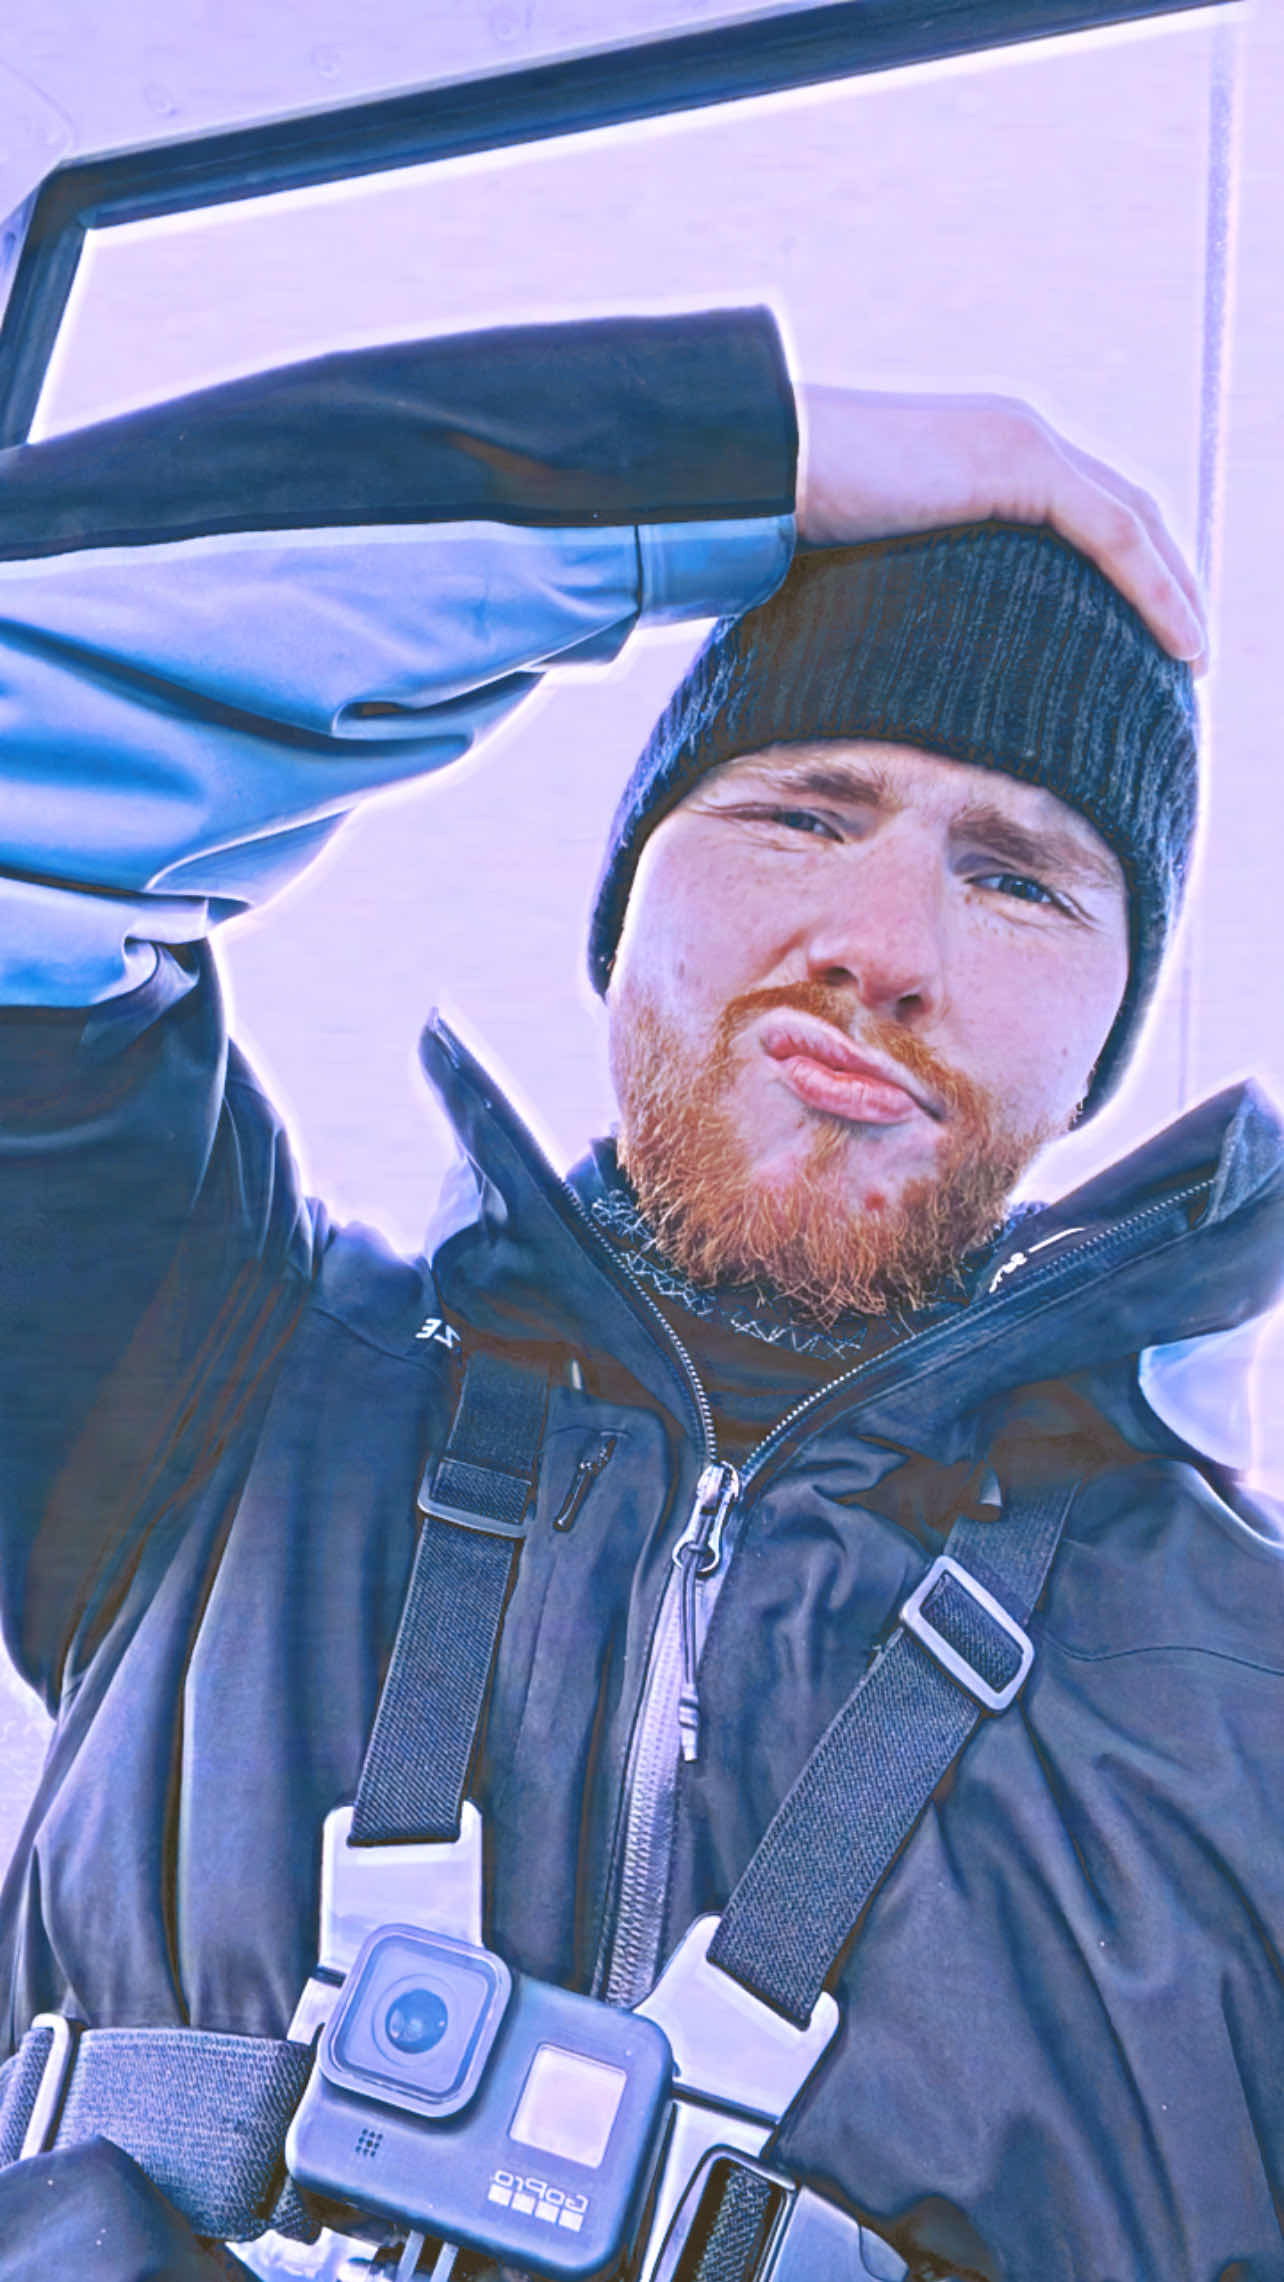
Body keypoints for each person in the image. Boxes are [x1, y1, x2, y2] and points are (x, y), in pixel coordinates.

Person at [0, 301, 1279, 2282]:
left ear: (1106, 1030)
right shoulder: (203, 1383)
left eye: (1019, 876)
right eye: (803, 808)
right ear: (626, 894)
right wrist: (721, 455)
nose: (884, 942)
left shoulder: (1248, 1693)